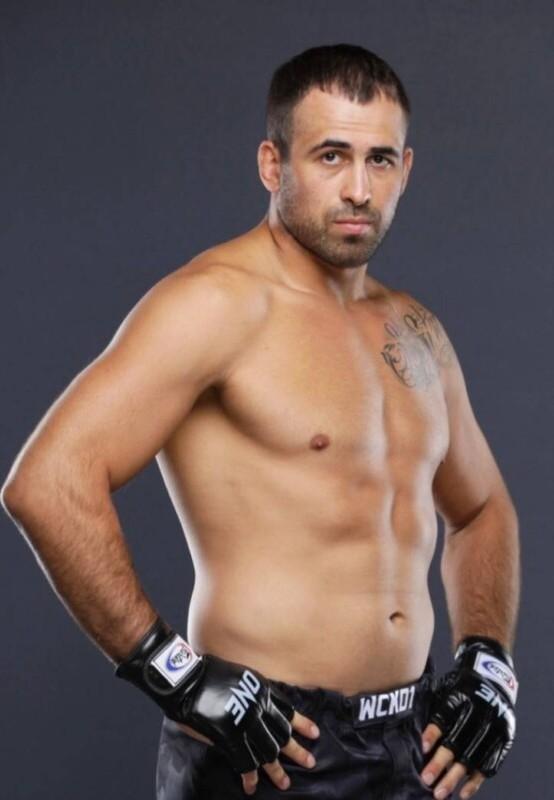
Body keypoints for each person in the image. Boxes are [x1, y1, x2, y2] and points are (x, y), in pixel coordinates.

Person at [1, 44, 520, 800]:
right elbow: (46, 484)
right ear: (273, 165)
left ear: (405, 170)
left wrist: (488, 661)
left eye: (379, 160)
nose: (358, 189)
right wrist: (176, 677)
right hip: (268, 745)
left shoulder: (414, 329)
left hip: (414, 742)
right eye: (331, 156)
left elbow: (482, 509)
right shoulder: (215, 304)